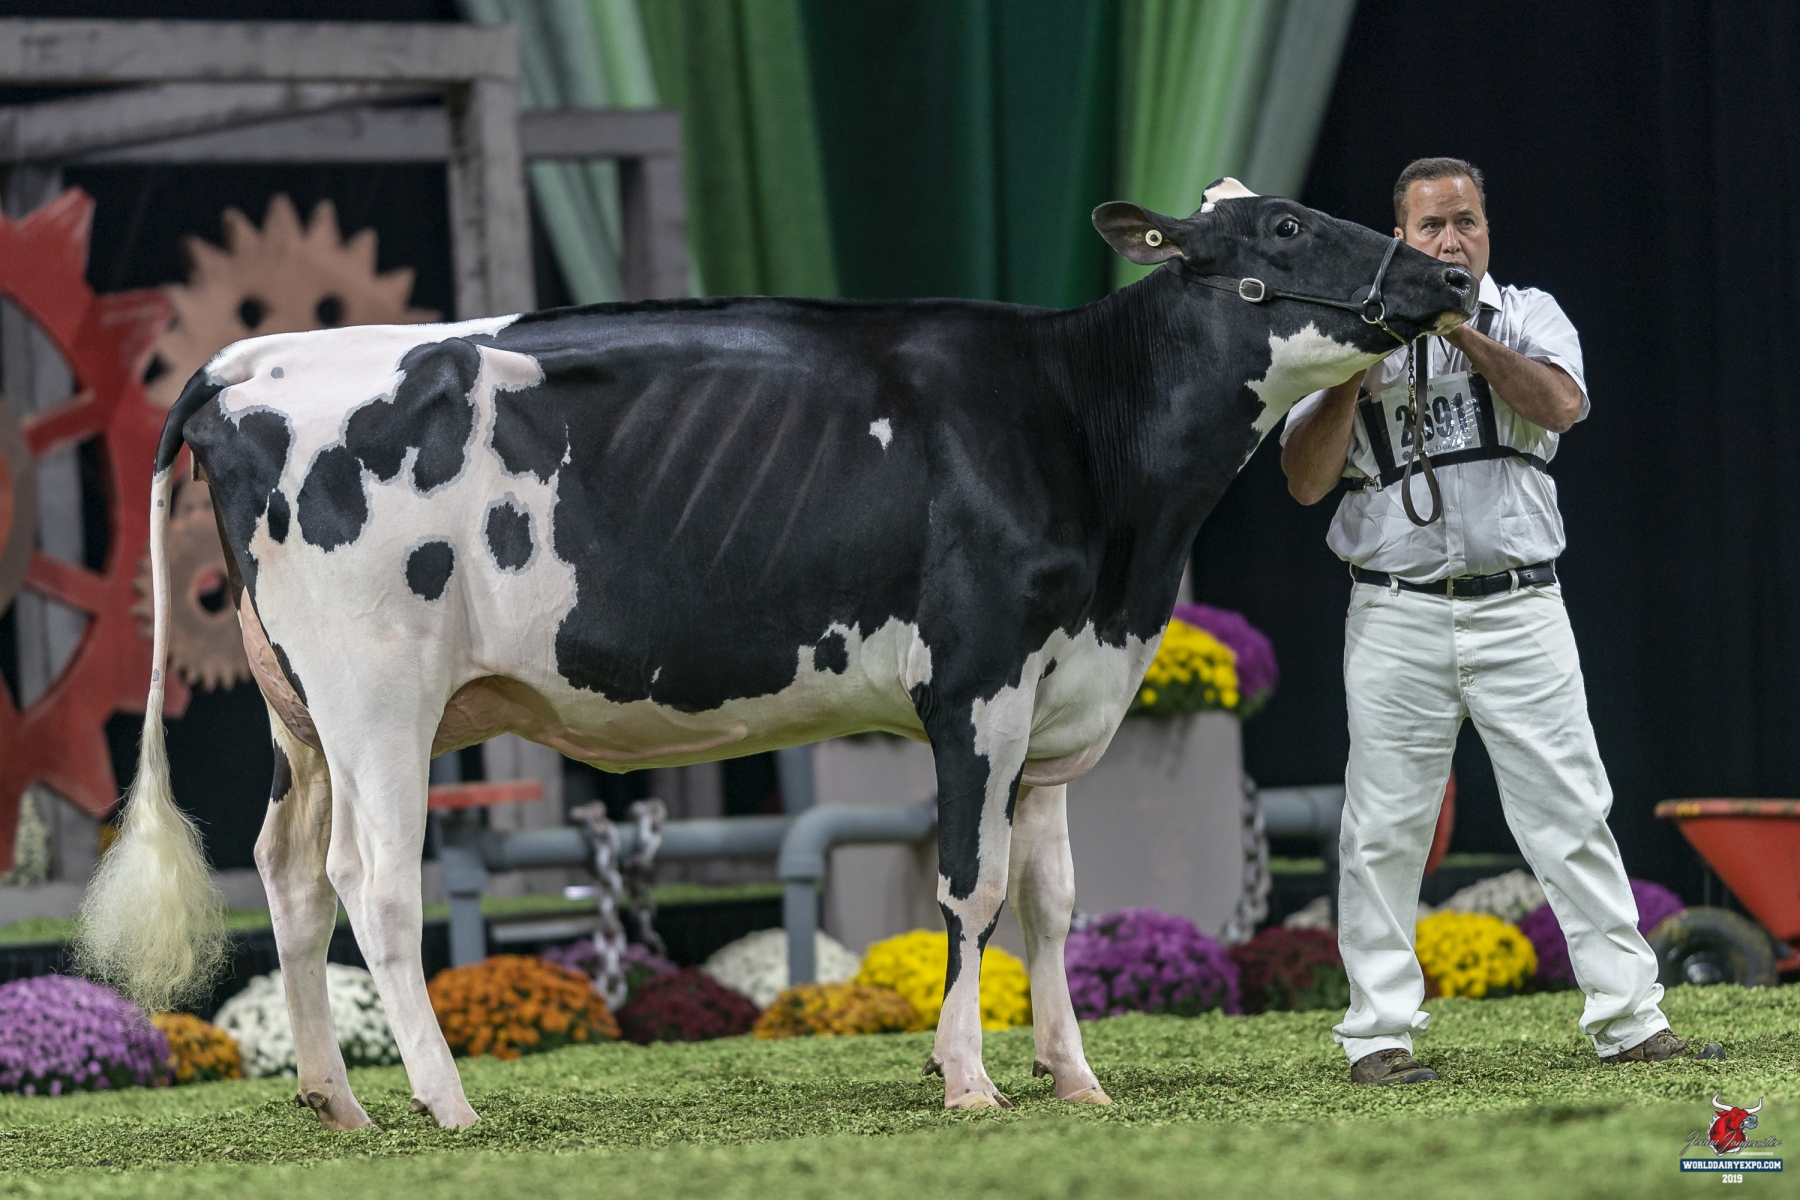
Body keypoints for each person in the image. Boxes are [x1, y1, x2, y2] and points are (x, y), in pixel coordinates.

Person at [1280, 157, 1717, 1085]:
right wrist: (1357, 360)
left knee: (1571, 814)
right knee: (1382, 829)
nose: (1451, 241)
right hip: (1395, 610)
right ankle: (1378, 1035)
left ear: (1487, 230)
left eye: (1466, 222)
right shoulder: (1346, 329)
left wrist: (1459, 329)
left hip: (1521, 605)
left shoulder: (1525, 313)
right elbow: (1306, 481)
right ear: (1399, 238)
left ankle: (1631, 1020)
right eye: (1431, 226)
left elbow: (1560, 405)